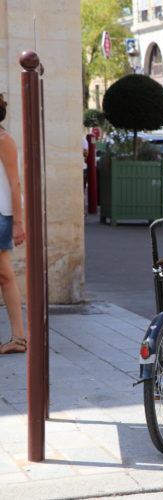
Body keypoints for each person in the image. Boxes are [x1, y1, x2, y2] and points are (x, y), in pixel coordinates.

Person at [0, 95, 27, 354]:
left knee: (5, 274)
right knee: (5, 274)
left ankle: (19, 338)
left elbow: (14, 182)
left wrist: (19, 222)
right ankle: (18, 338)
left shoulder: (4, 140)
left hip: (2, 214)